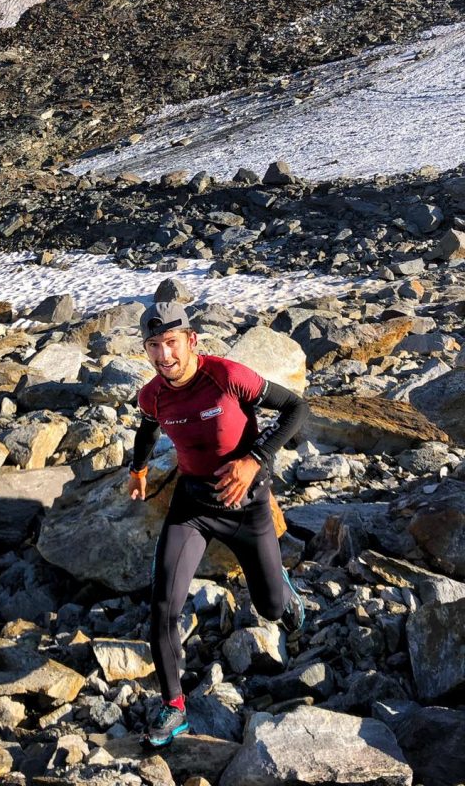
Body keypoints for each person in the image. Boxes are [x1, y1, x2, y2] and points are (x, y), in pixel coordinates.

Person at [128, 300, 308, 748]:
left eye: (171, 343)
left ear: (191, 341)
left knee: (269, 609)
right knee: (163, 607)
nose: (163, 355)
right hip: (193, 506)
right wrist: (138, 469)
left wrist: (254, 459)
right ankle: (174, 709)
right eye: (153, 346)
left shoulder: (226, 376)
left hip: (246, 505)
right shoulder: (153, 394)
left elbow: (295, 408)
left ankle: (282, 589)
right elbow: (148, 428)